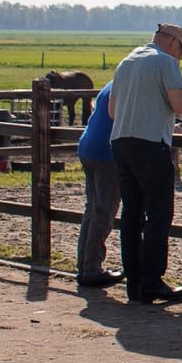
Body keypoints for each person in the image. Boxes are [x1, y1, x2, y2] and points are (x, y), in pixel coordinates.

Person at [109, 24, 182, 304]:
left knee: (132, 213)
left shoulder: (126, 62)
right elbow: (178, 105)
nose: (176, 53)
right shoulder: (165, 62)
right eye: (178, 47)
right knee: (159, 214)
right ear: (171, 41)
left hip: (121, 142)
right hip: (151, 143)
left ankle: (134, 280)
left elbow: (111, 110)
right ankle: (152, 280)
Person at [75, 81, 122, 288]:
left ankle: (84, 265)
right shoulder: (129, 85)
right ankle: (92, 269)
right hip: (106, 152)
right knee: (104, 210)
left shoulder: (113, 83)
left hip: (88, 146)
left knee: (92, 208)